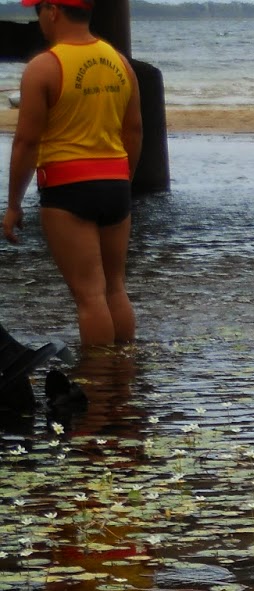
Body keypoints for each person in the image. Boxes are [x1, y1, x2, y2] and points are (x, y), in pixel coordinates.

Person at [3, 0, 141, 346]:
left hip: (67, 187)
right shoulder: (119, 62)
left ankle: (99, 374)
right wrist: (124, 181)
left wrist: (14, 204)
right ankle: (124, 368)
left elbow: (27, 142)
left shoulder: (44, 67)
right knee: (115, 287)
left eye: (37, 10)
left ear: (53, 11)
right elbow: (134, 130)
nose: (38, 19)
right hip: (115, 183)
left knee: (89, 296)